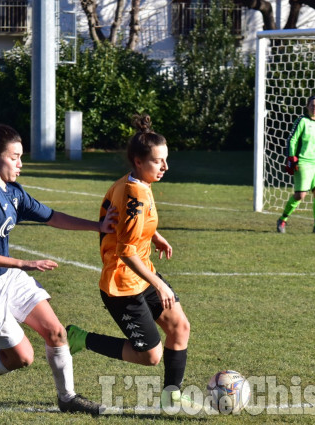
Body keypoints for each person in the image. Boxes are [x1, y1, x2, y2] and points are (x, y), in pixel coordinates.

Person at [0, 119, 116, 415]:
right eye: (15, 157)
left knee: (56, 332)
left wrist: (98, 226)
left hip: (6, 277)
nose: (20, 163)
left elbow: (51, 216)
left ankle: (68, 398)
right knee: (23, 357)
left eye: (21, 156)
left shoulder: (13, 191)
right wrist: (24, 262)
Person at [65, 114, 200, 412]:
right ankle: (82, 338)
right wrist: (159, 283)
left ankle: (171, 396)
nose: (165, 167)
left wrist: (154, 236)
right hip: (122, 284)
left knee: (179, 327)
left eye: (165, 159)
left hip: (141, 274)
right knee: (150, 356)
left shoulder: (134, 182)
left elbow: (133, 225)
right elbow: (126, 250)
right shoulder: (133, 196)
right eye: (157, 161)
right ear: (139, 161)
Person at [277, 95, 315, 234]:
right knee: (300, 195)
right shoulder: (302, 121)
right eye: (312, 105)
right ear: (307, 107)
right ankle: (282, 219)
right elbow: (292, 139)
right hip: (303, 161)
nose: (314, 108)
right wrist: (291, 157)